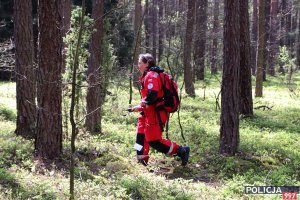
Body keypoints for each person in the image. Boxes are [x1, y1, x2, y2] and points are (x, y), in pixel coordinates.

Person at [130, 53, 190, 166]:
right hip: (146, 112)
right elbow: (148, 97)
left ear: (147, 63)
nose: (138, 65)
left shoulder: (152, 75)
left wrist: (141, 105)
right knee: (140, 135)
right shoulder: (146, 75)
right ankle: (141, 159)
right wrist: (141, 106)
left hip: (155, 113)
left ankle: (181, 150)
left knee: (154, 141)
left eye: (140, 63)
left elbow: (153, 95)